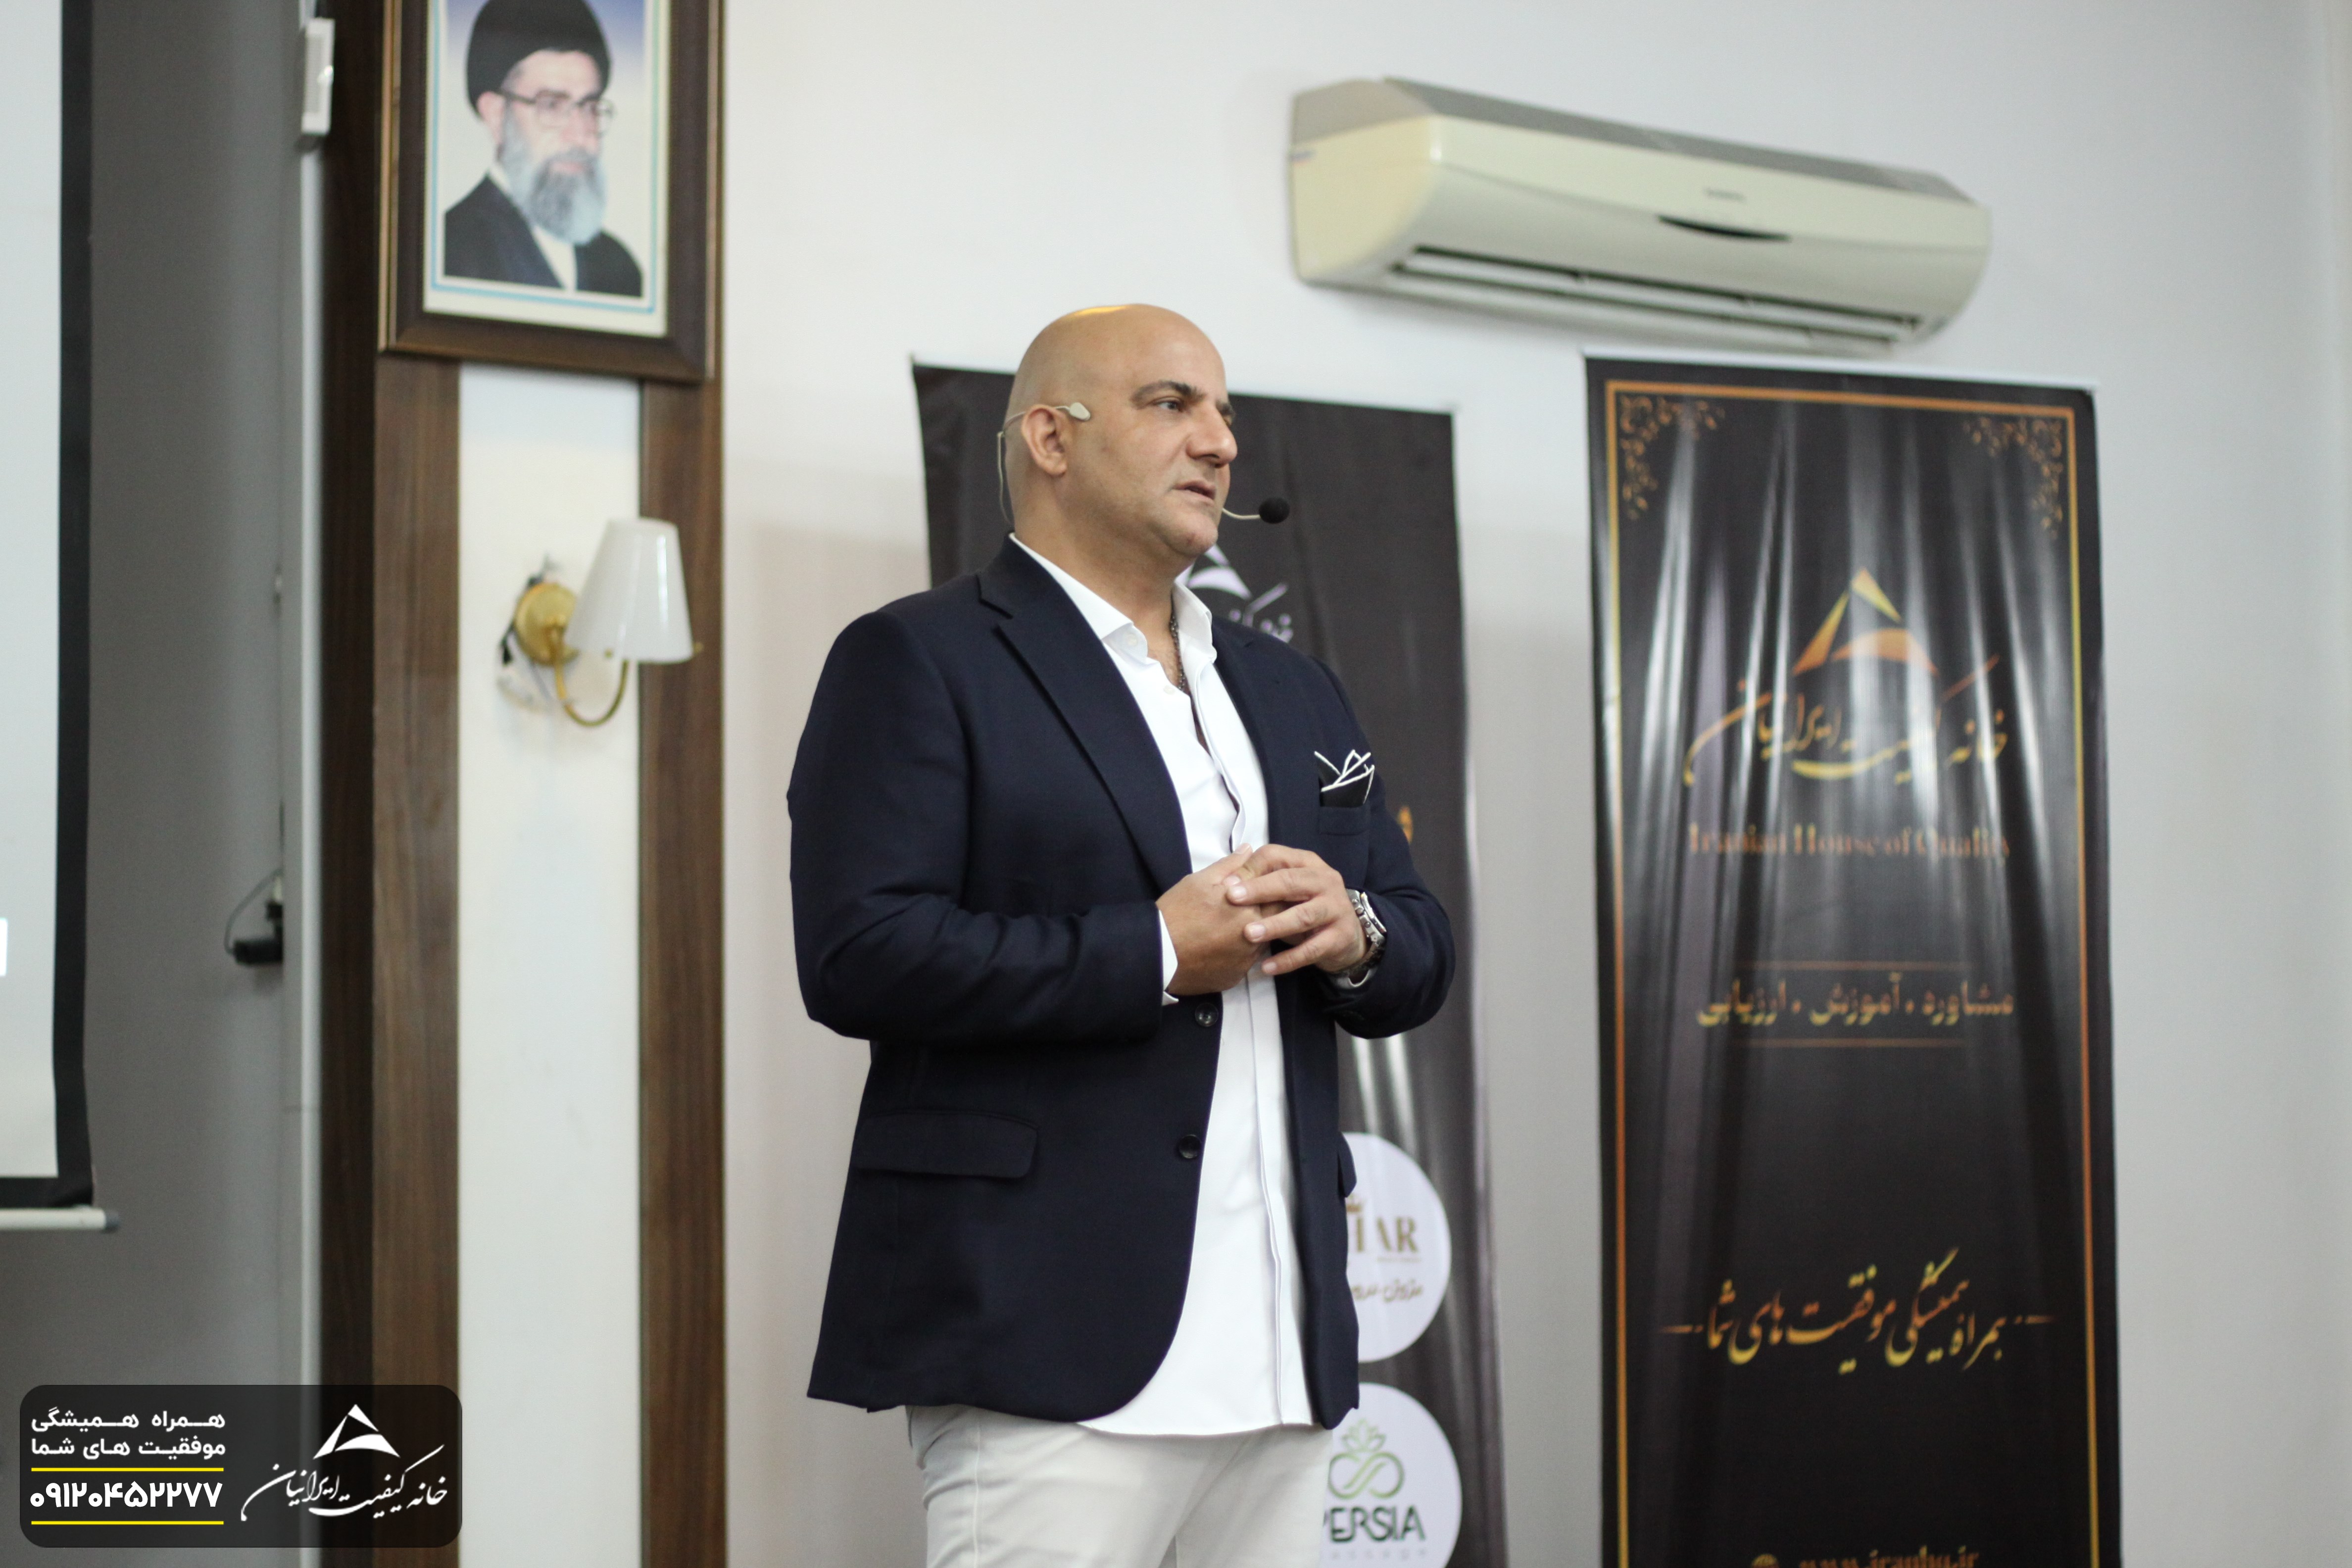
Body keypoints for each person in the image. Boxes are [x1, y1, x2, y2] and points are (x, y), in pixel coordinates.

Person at [789, 304, 1455, 1567]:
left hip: (1285, 1352)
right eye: (1170, 404)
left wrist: (1354, 929)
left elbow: (1416, 935)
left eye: (1224, 415)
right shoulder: (917, 659)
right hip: (1047, 1344)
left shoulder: (1295, 687)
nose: (1219, 442)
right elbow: (859, 952)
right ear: (1051, 438)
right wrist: (1152, 951)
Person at [442, 0, 643, 296]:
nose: (580, 135)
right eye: (551, 106)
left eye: (589, 107)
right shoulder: (448, 250)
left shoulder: (619, 267)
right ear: (496, 115)